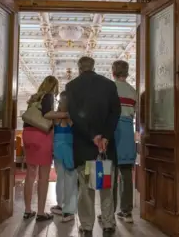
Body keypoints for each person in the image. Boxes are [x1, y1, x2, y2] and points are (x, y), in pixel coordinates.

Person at [65, 56, 121, 234]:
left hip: (85, 145)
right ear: (94, 67)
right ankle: (108, 223)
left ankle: (87, 226)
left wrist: (92, 136)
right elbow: (115, 112)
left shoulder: (72, 86)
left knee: (85, 189)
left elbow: (75, 115)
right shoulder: (109, 85)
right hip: (104, 146)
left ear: (79, 68)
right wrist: (104, 136)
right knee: (105, 186)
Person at [21, 75, 59, 222]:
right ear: (54, 87)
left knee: (30, 175)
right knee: (44, 177)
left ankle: (27, 210)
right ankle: (41, 213)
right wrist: (64, 114)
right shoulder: (48, 96)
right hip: (41, 135)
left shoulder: (34, 98)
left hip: (27, 135)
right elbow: (47, 114)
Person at [111, 60, 138, 223]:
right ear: (127, 73)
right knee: (126, 173)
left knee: (111, 171)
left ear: (113, 72)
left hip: (113, 129)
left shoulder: (109, 88)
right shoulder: (132, 91)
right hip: (128, 131)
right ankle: (126, 211)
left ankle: (109, 211)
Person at [44, 91, 78, 222]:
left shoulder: (57, 116)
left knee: (64, 178)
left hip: (62, 149)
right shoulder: (67, 115)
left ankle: (66, 208)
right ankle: (65, 207)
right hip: (66, 149)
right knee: (67, 178)